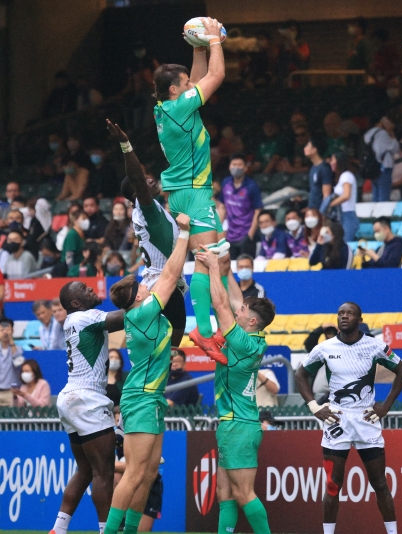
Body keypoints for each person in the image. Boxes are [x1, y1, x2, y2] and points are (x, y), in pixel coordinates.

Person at [102, 213, 190, 534]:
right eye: (141, 285)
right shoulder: (144, 313)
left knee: (149, 473)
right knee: (135, 473)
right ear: (138, 297)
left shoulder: (140, 313)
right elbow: (171, 273)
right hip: (141, 398)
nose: (146, 283)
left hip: (151, 397)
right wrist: (183, 233)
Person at [150, 17, 229, 360]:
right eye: (184, 84)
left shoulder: (166, 107)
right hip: (192, 191)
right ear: (174, 91)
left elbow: (196, 81)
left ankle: (221, 325)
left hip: (186, 190)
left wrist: (196, 49)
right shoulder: (181, 106)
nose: (190, 85)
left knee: (220, 257)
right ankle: (205, 331)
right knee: (207, 259)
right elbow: (216, 76)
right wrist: (213, 41)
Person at [296, 301, 402, 534]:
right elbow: (300, 374)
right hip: (337, 419)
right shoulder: (325, 348)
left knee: (380, 483)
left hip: (366, 418)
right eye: (340, 313)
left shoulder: (375, 346)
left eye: (350, 313)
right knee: (332, 484)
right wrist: (315, 407)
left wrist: (386, 406)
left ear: (360, 319)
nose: (344, 317)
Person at [193, 246, 276, 534]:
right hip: (235, 423)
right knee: (224, 495)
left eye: (241, 312)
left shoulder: (241, 342)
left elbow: (220, 304)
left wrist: (213, 267)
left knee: (243, 494)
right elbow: (237, 301)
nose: (236, 310)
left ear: (251, 321)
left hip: (239, 426)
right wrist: (227, 272)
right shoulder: (254, 337)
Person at [51, 280, 125, 534]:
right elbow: (125, 318)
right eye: (84, 289)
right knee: (103, 472)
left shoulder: (72, 320)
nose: (91, 288)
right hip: (87, 398)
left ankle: (58, 529)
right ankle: (107, 531)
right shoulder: (86, 316)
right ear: (75, 302)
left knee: (85, 470)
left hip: (71, 397)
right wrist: (150, 298)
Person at [221, 153, 263, 259]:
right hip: (230, 235)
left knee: (246, 264)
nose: (236, 167)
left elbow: (258, 211)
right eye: (234, 164)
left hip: (246, 234)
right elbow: (222, 207)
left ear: (245, 168)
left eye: (239, 165)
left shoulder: (252, 186)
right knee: (230, 265)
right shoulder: (225, 183)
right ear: (229, 166)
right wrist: (218, 229)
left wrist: (250, 234)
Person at [363, 113, 399, 202]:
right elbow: (394, 148)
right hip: (383, 167)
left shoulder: (368, 134)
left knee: (375, 196)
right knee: (383, 198)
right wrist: (391, 133)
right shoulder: (382, 134)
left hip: (373, 167)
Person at [327, 151, 358, 241]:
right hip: (341, 214)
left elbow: (346, 195)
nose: (331, 162)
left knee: (346, 242)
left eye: (333, 160)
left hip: (348, 214)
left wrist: (330, 204)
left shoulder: (346, 175)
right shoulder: (341, 177)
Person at [305, 135, 334, 210]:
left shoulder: (324, 168)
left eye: (308, 146)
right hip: (312, 209)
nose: (305, 148)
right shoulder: (313, 168)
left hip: (320, 210)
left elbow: (326, 194)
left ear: (314, 150)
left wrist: (323, 211)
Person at [62, 208, 88, 275]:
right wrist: (72, 272)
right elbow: (69, 256)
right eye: (83, 219)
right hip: (70, 270)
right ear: (75, 221)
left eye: (86, 218)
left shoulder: (83, 234)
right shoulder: (72, 234)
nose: (86, 221)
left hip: (80, 268)